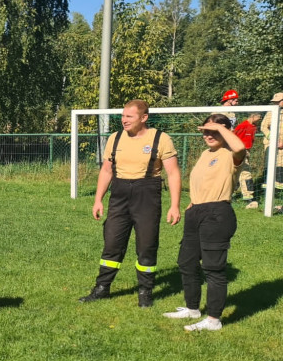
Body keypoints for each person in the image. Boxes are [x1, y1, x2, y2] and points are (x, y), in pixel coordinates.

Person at [80, 99, 182, 307]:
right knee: (112, 243)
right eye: (123, 116)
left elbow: (173, 173)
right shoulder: (115, 139)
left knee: (146, 245)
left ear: (143, 118)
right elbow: (107, 171)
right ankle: (102, 288)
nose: (123, 120)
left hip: (147, 194)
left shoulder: (161, 139)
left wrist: (174, 205)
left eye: (129, 116)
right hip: (119, 194)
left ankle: (145, 292)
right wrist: (98, 200)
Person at [163, 114, 245, 331]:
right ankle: (192, 308)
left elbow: (240, 146)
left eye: (214, 131)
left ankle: (213, 320)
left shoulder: (231, 154)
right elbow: (202, 182)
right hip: (196, 211)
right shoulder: (204, 154)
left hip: (217, 213)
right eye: (206, 131)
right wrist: (192, 203)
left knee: (213, 268)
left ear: (226, 130)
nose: (208, 135)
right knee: (186, 262)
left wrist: (220, 127)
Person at [231, 112, 261, 209]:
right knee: (246, 173)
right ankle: (249, 197)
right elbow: (233, 136)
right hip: (240, 151)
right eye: (258, 118)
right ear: (253, 116)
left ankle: (230, 193)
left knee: (238, 173)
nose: (259, 120)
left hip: (247, 151)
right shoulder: (243, 126)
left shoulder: (253, 127)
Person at [260, 92, 283, 196]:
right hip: (271, 144)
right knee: (269, 165)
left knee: (280, 166)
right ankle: (268, 193)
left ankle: (278, 193)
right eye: (275, 102)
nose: (276, 104)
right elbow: (264, 127)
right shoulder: (271, 112)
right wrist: (273, 139)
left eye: (278, 102)